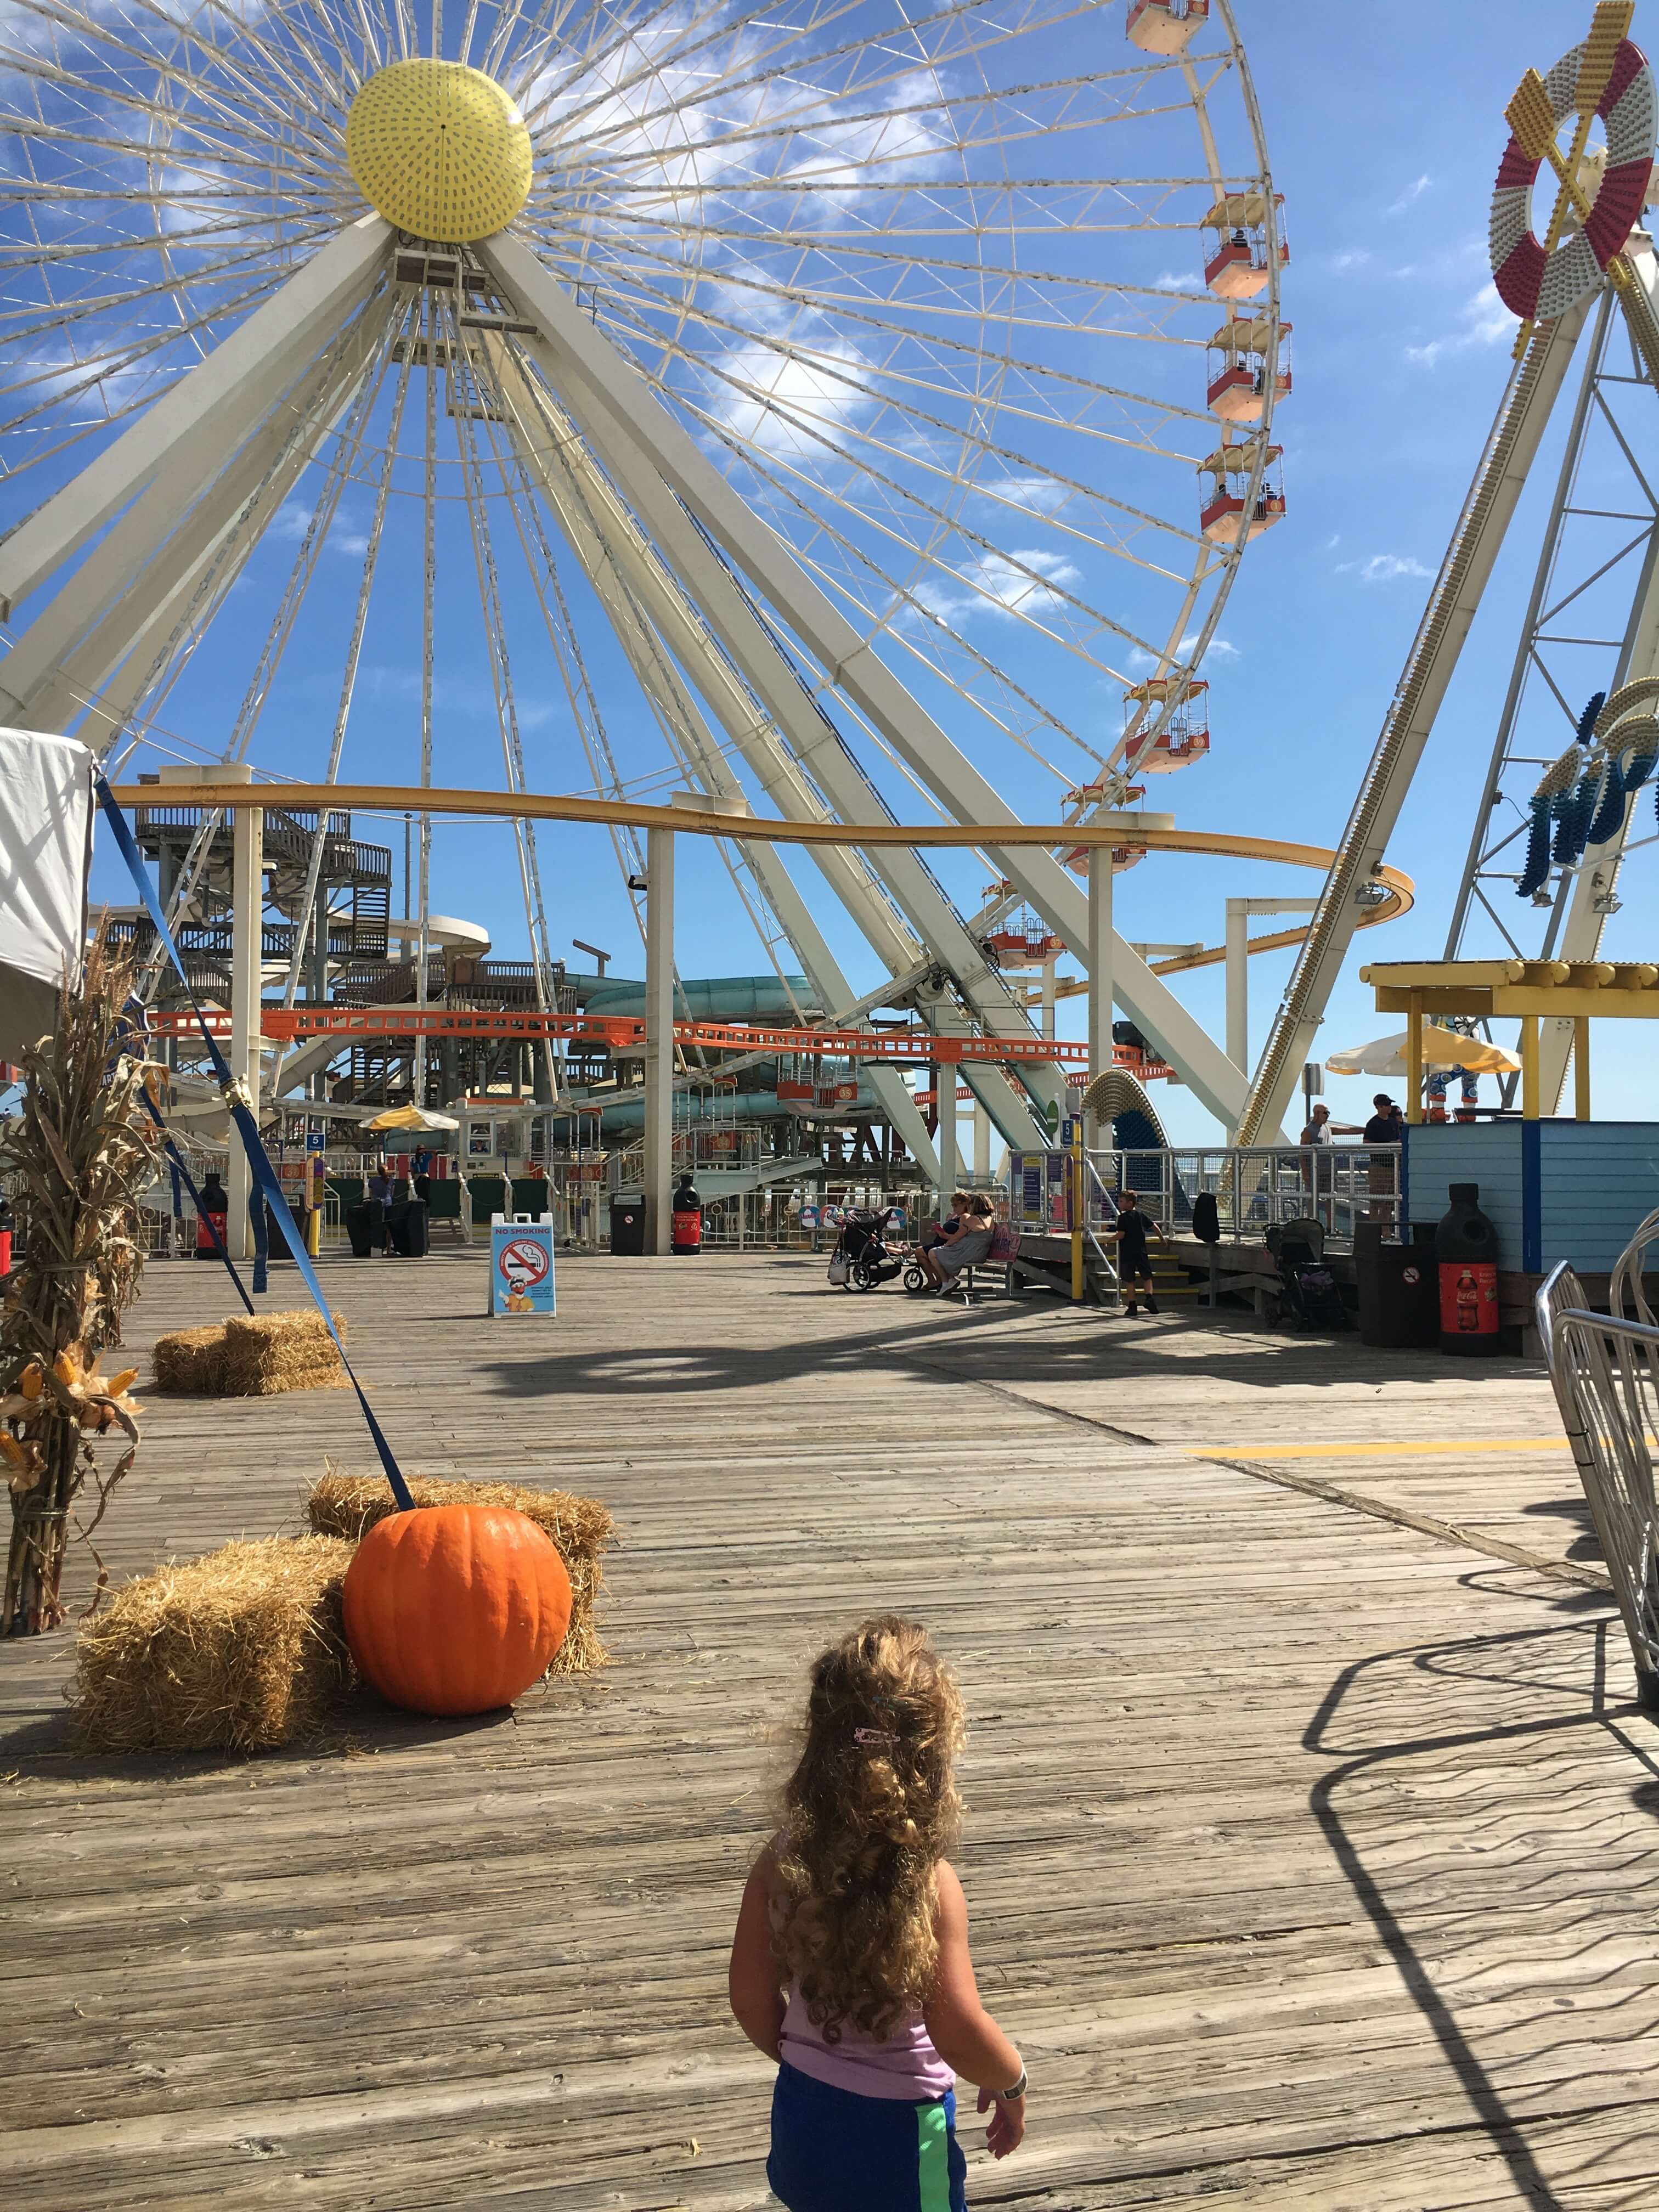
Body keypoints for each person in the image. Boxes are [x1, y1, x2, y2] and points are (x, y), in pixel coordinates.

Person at [727, 1617, 1027, 2212]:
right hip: (900, 2139)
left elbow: (750, 1997)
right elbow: (958, 2028)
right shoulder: (932, 1883)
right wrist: (1011, 2079)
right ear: (932, 1756)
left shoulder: (782, 1859)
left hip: (804, 2120)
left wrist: (807, 2063)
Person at [918, 1194, 995, 1291]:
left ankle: (947, 1282)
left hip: (969, 1253)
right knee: (940, 1252)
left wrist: (946, 1245)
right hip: (980, 1253)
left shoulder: (973, 1219)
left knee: (933, 1253)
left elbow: (957, 1236)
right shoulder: (990, 1220)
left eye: (971, 1204)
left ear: (975, 1206)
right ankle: (948, 1280)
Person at [1108, 1188, 1165, 1317]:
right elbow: (1154, 1226)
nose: (1119, 1204)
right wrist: (1161, 1239)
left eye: (1122, 1201)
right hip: (1141, 1250)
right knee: (1147, 1276)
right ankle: (1149, 1298)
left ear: (1130, 1203)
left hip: (1127, 1253)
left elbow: (1122, 1234)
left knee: (1129, 1280)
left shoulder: (1122, 1218)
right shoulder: (1141, 1215)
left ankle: (1132, 1305)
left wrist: (1110, 1239)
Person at [1362, 1093, 1403, 1221]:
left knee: (1389, 1201)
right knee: (1376, 1201)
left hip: (1393, 1166)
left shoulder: (1393, 1122)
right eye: (1386, 1104)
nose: (1389, 1107)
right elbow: (1366, 1143)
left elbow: (1398, 1139)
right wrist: (1386, 1145)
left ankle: (1385, 1229)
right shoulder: (1373, 1123)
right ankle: (1374, 1229)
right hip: (1379, 1166)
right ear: (1379, 1107)